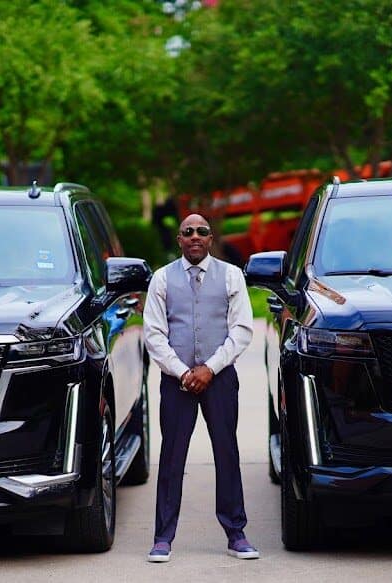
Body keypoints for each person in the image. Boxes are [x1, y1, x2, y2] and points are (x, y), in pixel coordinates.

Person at [143, 213, 258, 563]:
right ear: (179, 239)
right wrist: (183, 372)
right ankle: (163, 537)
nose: (195, 236)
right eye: (188, 231)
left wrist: (210, 368)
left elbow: (241, 329)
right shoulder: (162, 279)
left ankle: (236, 533)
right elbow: (154, 334)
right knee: (172, 456)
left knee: (226, 452)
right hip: (176, 380)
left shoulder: (231, 276)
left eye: (202, 231)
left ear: (210, 238)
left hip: (219, 378)